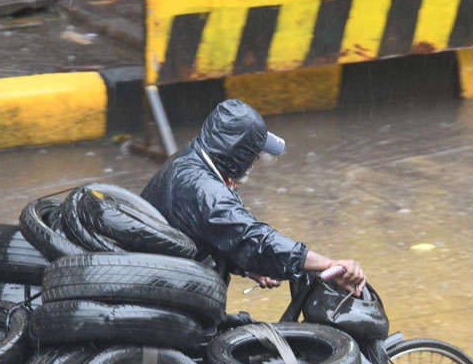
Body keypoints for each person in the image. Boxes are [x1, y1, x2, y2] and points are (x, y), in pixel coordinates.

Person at [141, 99, 366, 295]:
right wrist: (328, 264)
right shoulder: (203, 189)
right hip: (171, 287)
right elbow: (253, 237)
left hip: (169, 270)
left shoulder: (189, 158)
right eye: (254, 156)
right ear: (239, 154)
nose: (255, 162)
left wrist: (247, 267)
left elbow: (214, 231)